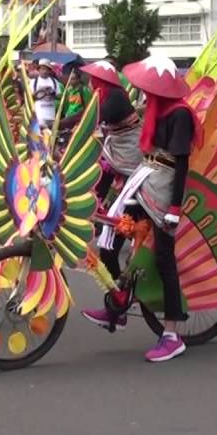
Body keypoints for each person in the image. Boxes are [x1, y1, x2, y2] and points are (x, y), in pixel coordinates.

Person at [82, 56, 196, 362]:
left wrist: (175, 207)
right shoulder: (156, 110)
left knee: (163, 259)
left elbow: (181, 162)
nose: (143, 92)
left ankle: (172, 334)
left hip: (164, 186)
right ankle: (117, 305)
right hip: (145, 179)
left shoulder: (180, 114)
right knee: (111, 235)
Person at [77, 61, 143, 309]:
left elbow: (90, 119)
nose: (90, 82)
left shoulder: (115, 96)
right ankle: (119, 296)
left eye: (94, 78)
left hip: (133, 166)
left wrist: (62, 125)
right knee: (98, 179)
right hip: (117, 157)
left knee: (111, 245)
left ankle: (120, 297)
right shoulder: (104, 94)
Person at [29, 59, 61, 129]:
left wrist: (52, 93)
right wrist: (40, 90)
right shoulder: (33, 82)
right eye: (43, 69)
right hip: (39, 115)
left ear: (50, 71)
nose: (45, 71)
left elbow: (59, 96)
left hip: (51, 115)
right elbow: (30, 98)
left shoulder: (54, 81)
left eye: (47, 69)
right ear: (39, 70)